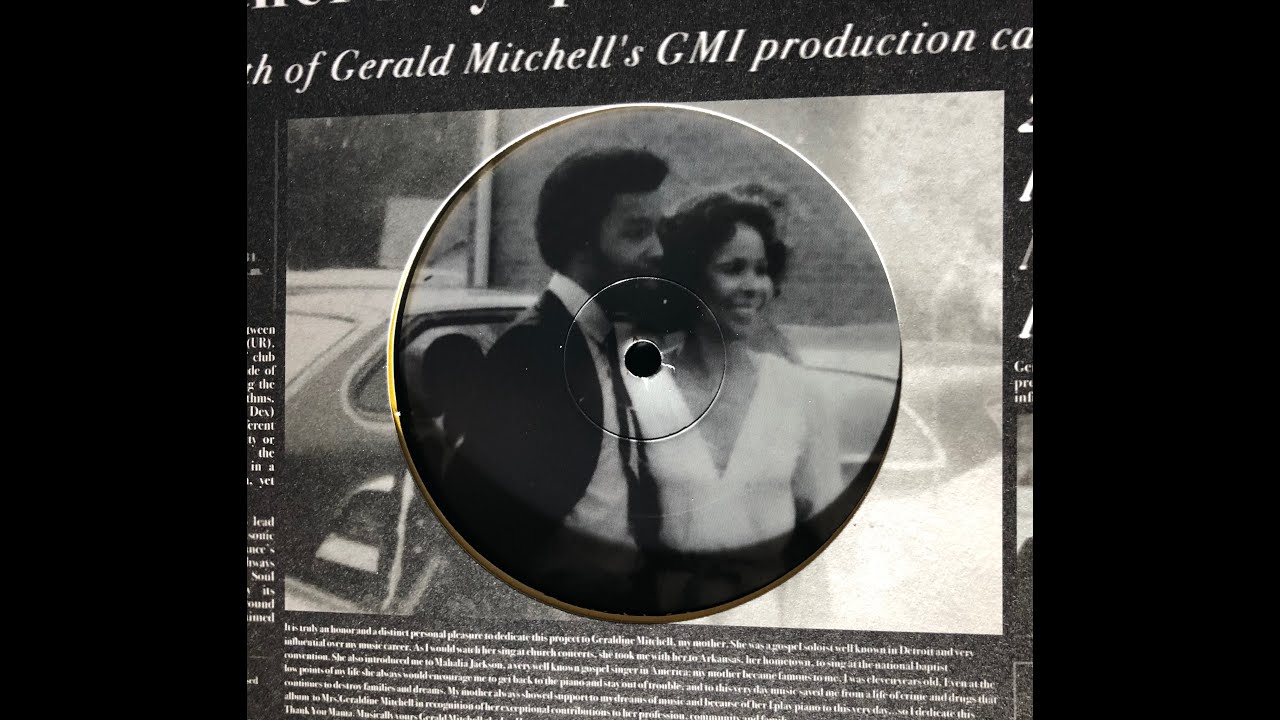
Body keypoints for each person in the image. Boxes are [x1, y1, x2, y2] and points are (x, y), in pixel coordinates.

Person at [440, 147, 671, 614]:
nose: (657, 250)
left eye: (657, 230)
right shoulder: (533, 350)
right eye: (636, 232)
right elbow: (485, 523)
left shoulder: (606, 336)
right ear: (580, 241)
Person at [628, 190, 847, 614]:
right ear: (689, 277)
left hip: (768, 629)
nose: (753, 286)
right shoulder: (642, 389)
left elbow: (820, 546)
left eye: (761, 270)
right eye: (732, 269)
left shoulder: (799, 391)